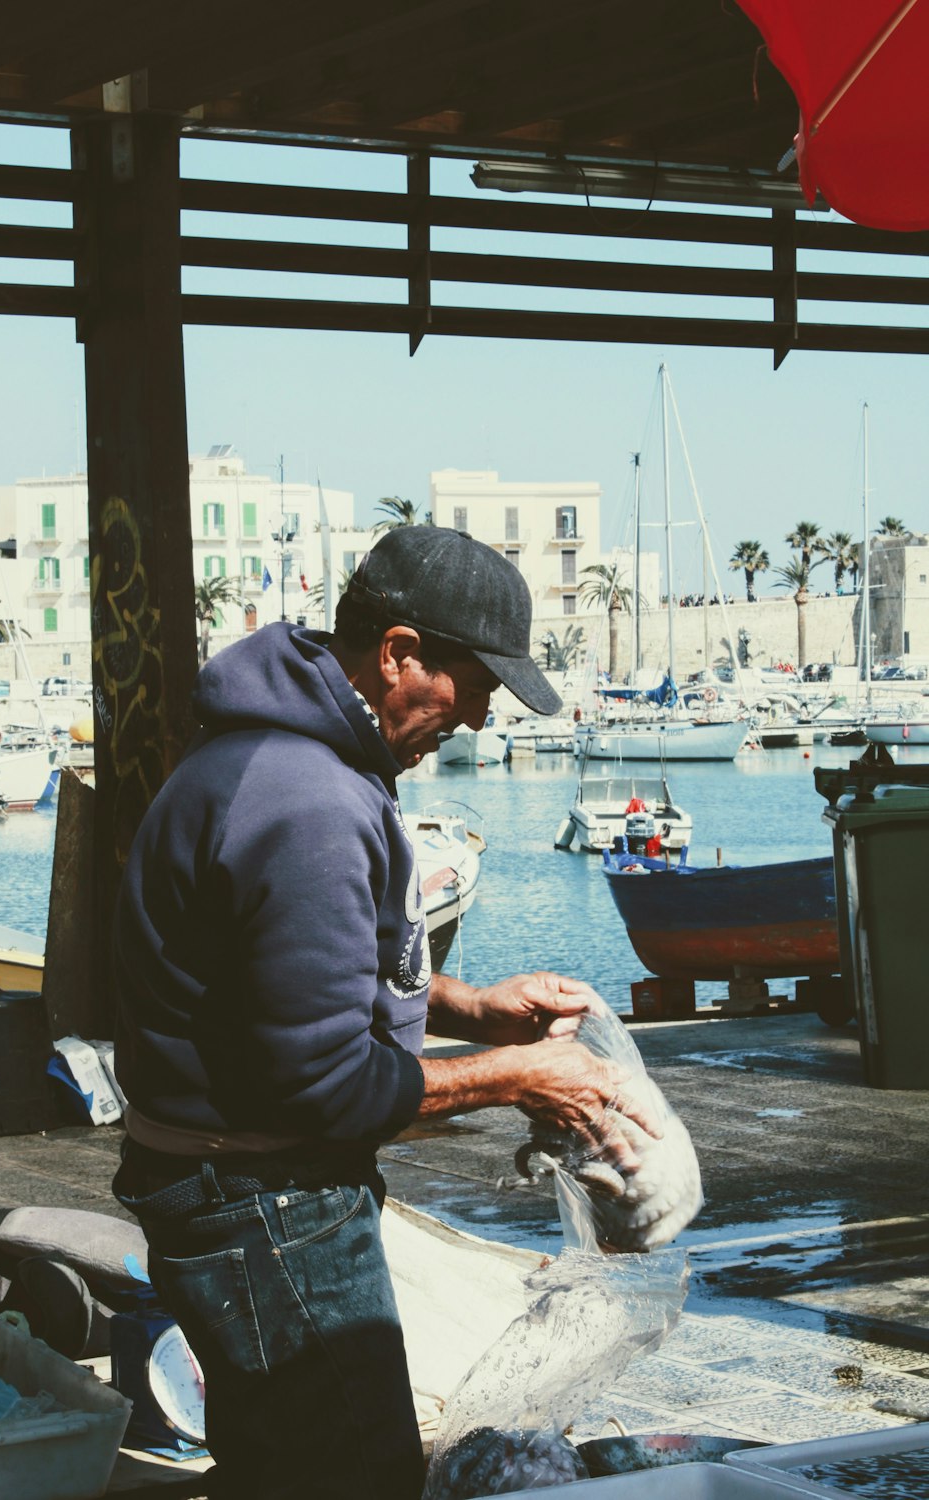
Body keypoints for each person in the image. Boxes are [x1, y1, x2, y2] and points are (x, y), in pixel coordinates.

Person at [111, 525, 661, 1500]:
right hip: (264, 1204)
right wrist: (523, 1075)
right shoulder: (309, 800)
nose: (484, 716)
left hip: (220, 1190)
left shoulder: (272, 755)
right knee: (347, 1477)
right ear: (399, 653)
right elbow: (328, 1089)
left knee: (278, 1465)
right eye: (477, 682)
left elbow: (273, 970)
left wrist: (468, 1005)